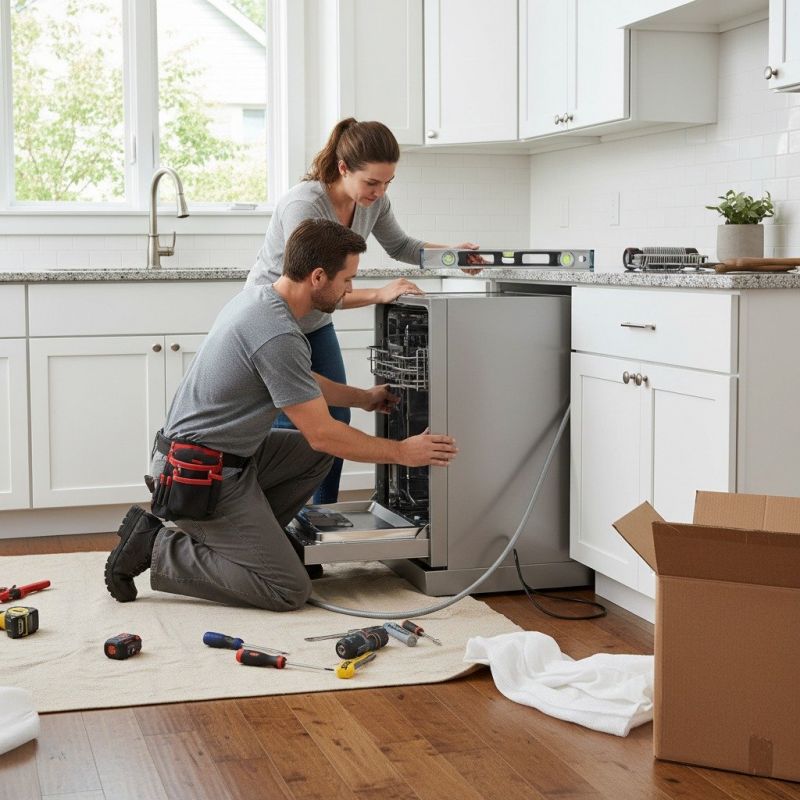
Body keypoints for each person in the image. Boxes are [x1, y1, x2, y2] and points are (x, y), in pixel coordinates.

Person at [104, 219, 458, 612]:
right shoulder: (276, 332)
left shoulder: (261, 301)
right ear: (318, 276)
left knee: (315, 455)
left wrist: (364, 398)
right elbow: (322, 433)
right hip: (199, 478)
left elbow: (301, 380)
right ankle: (155, 544)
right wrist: (403, 452)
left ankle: (254, 541)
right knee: (287, 587)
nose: (351, 291)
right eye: (347, 279)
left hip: (224, 457)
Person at [247, 117, 478, 504]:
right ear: (343, 168)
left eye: (387, 182)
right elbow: (314, 286)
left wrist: (455, 256)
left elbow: (402, 246)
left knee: (337, 419)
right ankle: (283, 524)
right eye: (372, 182)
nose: (380, 191)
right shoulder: (305, 205)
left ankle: (319, 519)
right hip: (274, 323)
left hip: (316, 322)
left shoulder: (374, 203)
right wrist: (377, 294)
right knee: (297, 427)